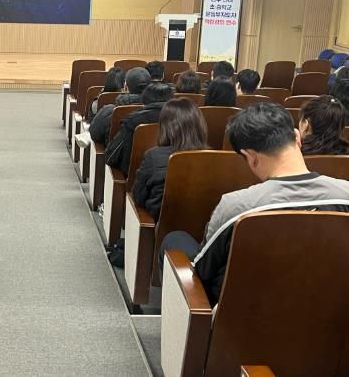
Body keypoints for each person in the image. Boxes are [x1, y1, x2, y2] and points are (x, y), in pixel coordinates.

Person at [160, 103, 349, 304]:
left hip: (246, 311)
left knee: (175, 239)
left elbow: (203, 269)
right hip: (330, 309)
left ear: (250, 157)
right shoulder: (345, 194)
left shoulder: (236, 206)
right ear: (297, 137)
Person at [133, 98, 208, 220]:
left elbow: (138, 196)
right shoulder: (214, 158)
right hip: (203, 224)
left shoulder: (153, 156)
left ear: (165, 126)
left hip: (159, 222)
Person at [105, 83, 174, 176]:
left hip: (133, 175)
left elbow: (111, 155)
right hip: (173, 174)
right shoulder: (182, 119)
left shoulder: (133, 121)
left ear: (145, 98)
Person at [88, 68, 151, 146]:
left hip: (119, 153)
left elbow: (94, 135)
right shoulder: (161, 110)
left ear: (125, 87)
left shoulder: (109, 111)